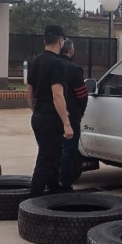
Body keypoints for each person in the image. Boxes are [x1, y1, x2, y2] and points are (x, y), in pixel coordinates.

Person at [26, 25, 74, 196]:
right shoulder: (57, 64)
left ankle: (54, 194)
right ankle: (32, 201)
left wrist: (36, 111)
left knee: (53, 158)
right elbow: (57, 95)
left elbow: (29, 92)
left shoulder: (35, 62)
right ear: (61, 41)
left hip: (39, 115)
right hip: (51, 118)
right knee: (46, 161)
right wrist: (66, 123)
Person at [59, 38, 89, 191]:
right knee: (68, 151)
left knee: (52, 150)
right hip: (70, 116)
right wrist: (81, 112)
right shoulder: (74, 69)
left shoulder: (49, 64)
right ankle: (65, 184)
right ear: (70, 50)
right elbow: (82, 95)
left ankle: (51, 181)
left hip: (50, 115)